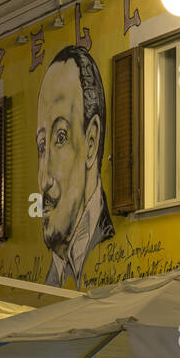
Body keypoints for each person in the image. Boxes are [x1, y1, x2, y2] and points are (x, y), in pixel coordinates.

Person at [35, 45, 115, 287]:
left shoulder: (104, 251)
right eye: (41, 147)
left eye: (61, 137)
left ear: (91, 142)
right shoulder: (47, 285)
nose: (44, 179)